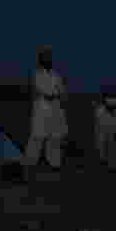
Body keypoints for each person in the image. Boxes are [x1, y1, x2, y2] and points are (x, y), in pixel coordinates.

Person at [22, 46, 68, 175]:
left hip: (55, 110)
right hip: (41, 109)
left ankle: (55, 165)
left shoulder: (56, 75)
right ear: (40, 59)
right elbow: (38, 90)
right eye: (44, 57)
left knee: (54, 139)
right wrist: (52, 94)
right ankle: (29, 164)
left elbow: (62, 91)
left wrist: (59, 96)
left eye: (49, 57)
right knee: (37, 137)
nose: (47, 59)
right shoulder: (36, 73)